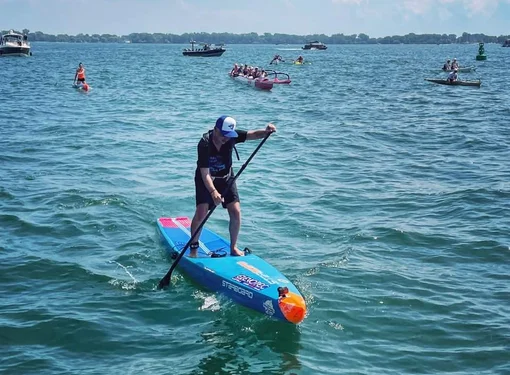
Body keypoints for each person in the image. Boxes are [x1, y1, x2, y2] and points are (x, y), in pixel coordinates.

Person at [190, 116, 276, 257]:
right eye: (223, 135)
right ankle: (193, 249)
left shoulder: (231, 137)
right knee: (202, 212)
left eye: (228, 135)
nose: (226, 138)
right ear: (216, 129)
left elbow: (252, 134)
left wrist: (266, 131)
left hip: (227, 178)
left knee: (235, 211)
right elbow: (204, 173)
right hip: (205, 179)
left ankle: (234, 248)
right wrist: (213, 192)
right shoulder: (204, 143)